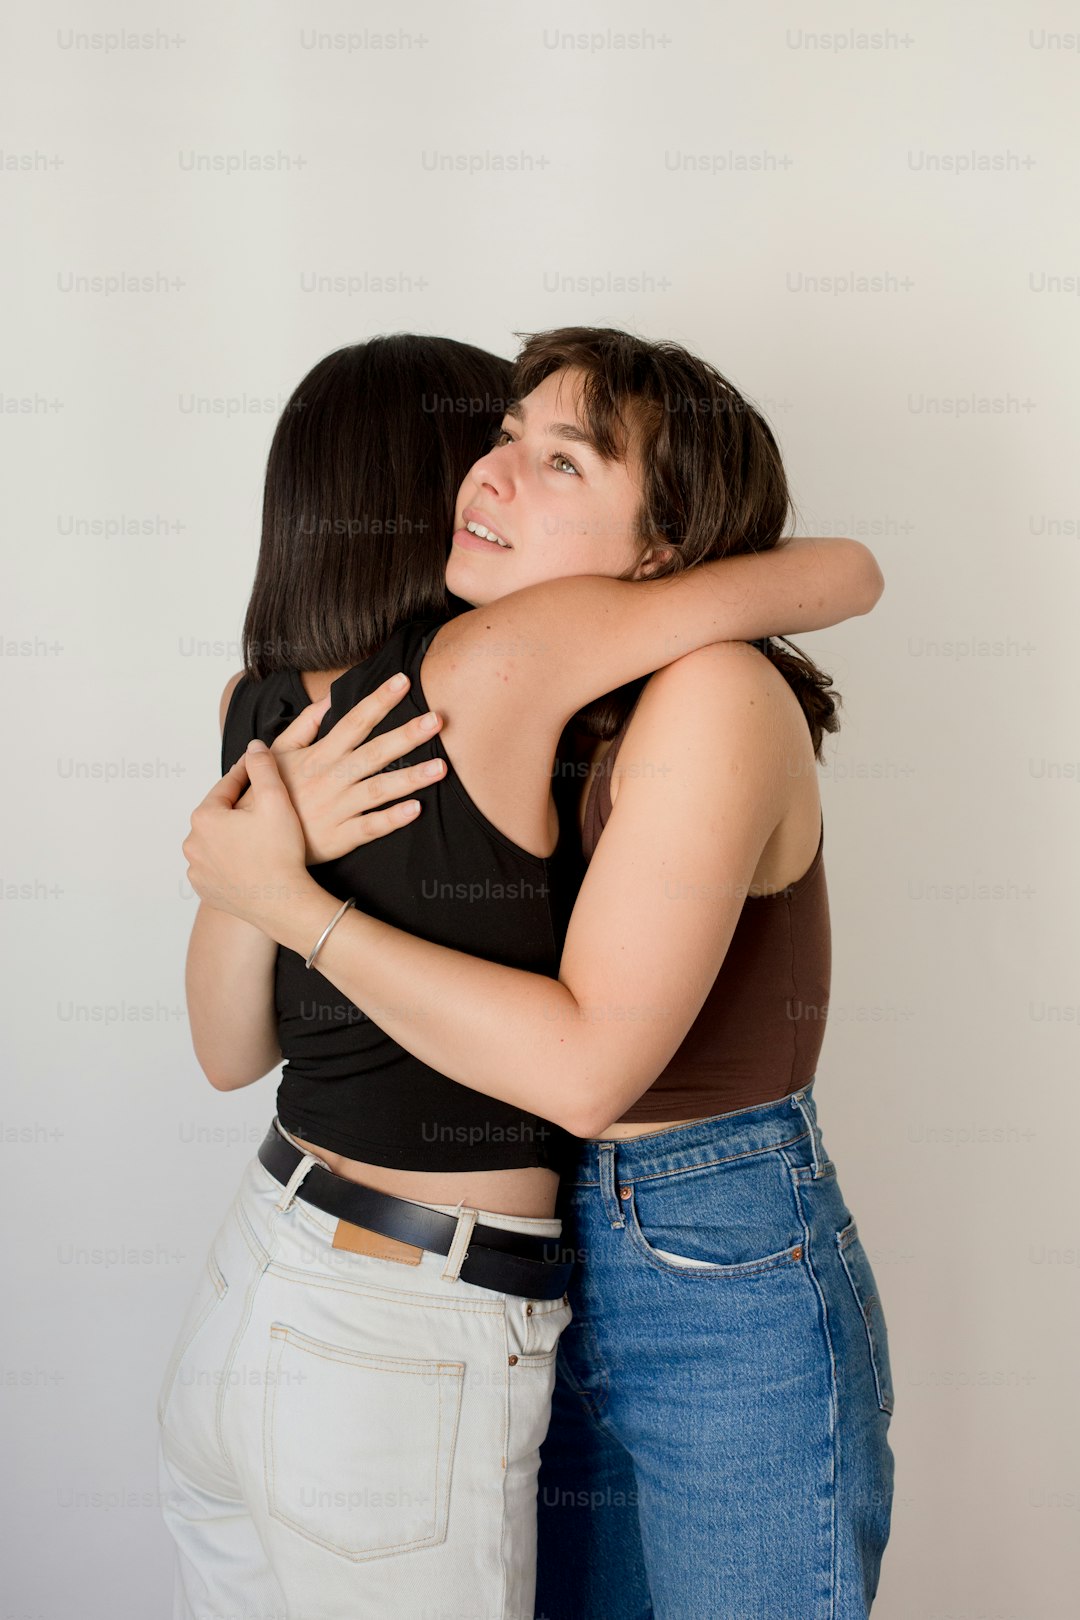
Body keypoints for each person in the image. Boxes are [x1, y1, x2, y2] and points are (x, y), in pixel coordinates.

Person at [175, 327, 884, 1619]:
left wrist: (278, 896)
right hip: (513, 1252)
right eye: (501, 437)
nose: (492, 474)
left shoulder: (693, 685)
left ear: (666, 548)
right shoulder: (491, 686)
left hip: (691, 1245)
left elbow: (581, 1067)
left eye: (560, 460)